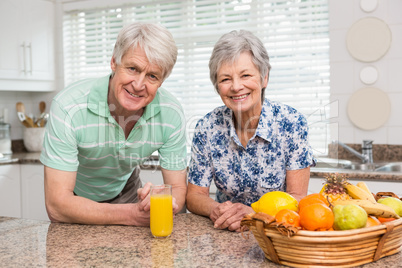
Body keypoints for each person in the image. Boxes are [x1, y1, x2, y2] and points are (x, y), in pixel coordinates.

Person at [40, 22, 187, 226]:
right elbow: (57, 205)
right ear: (114, 63)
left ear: (161, 81)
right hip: (76, 201)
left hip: (126, 192)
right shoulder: (68, 107)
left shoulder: (171, 113)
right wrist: (132, 215)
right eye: (132, 69)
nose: (138, 85)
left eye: (152, 76)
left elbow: (178, 189)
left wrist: (166, 202)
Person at [186, 30, 315, 232]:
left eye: (245, 75)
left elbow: (298, 199)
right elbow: (194, 196)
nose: (236, 87)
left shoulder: (292, 122)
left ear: (264, 78)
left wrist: (252, 215)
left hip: (277, 232)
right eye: (225, 79)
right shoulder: (207, 127)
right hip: (226, 231)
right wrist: (218, 210)